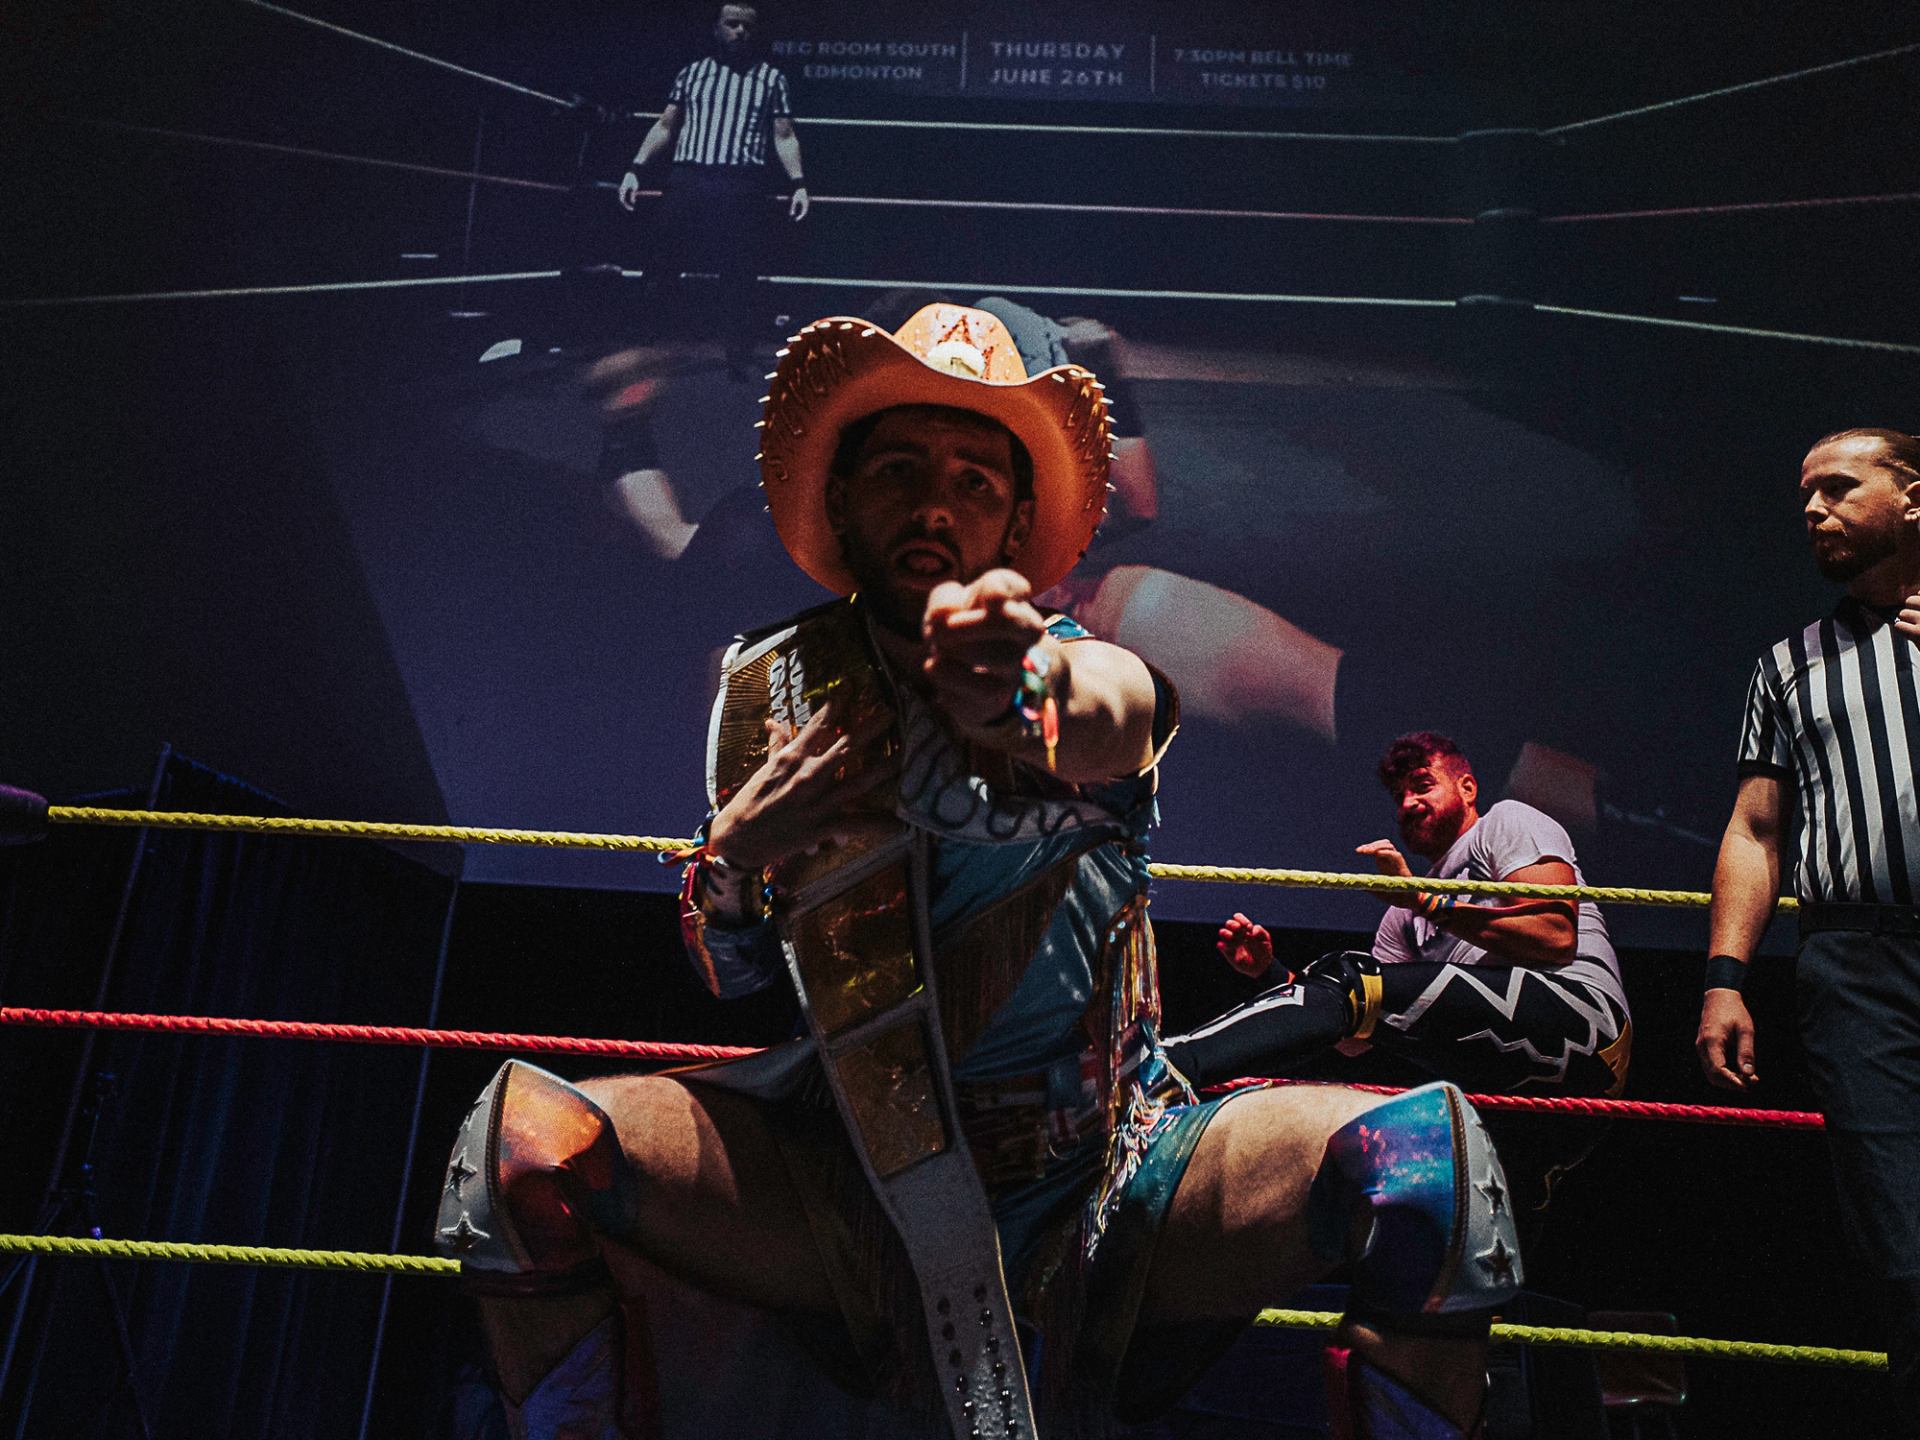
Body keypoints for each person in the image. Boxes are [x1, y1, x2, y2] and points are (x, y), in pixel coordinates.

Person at [433, 306, 1523, 1439]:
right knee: (513, 1151)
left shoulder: (1080, 662)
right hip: (847, 1170)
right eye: (901, 470)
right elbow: (731, 974)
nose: (935, 503)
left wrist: (1018, 697)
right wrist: (736, 869)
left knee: (1428, 1167)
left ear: (1014, 524)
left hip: (1113, 1166)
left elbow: (1119, 716)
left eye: (974, 479)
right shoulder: (766, 693)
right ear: (844, 503)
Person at [1695, 426, 1920, 1427]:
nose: (1814, 510)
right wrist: (1723, 980)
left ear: (1913, 498)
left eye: (1840, 487)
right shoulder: (1791, 664)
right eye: (1805, 496)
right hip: (1858, 966)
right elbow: (1755, 828)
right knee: (1899, 1240)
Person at [1164, 731, 1632, 1102]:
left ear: (1467, 787)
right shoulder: (1400, 917)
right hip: (1520, 1088)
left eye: (1423, 785)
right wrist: (1271, 973)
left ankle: (1172, 1065)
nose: (1408, 803)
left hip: (1582, 1025)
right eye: (1399, 796)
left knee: (1353, 977)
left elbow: (1554, 936)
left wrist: (1424, 900)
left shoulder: (1504, 824)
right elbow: (1354, 1036)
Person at [617, 4, 808, 376]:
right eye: (732, 24)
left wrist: (798, 183)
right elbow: (665, 126)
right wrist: (635, 168)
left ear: (756, 33)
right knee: (661, 264)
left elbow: (783, 135)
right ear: (717, 29)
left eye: (747, 26)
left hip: (741, 183)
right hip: (689, 177)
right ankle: (644, 348)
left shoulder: (771, 79)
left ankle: (737, 355)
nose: (740, 32)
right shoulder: (693, 73)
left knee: (739, 271)